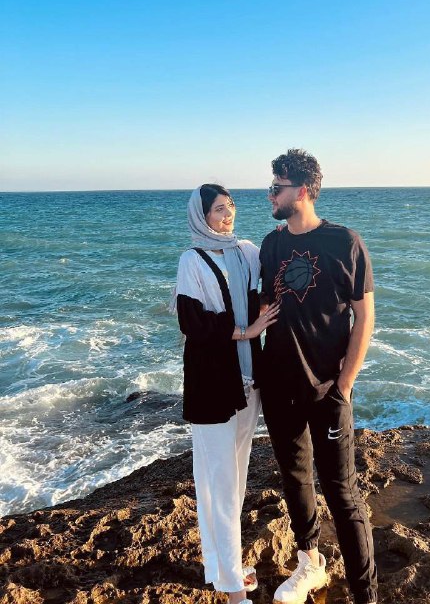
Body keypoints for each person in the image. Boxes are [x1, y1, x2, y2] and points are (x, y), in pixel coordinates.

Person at [259, 149, 377, 604]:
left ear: (302, 191)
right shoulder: (271, 245)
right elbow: (265, 303)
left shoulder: (345, 242)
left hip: (327, 388)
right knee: (294, 478)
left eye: (277, 187)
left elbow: (365, 316)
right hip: (279, 385)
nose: (270, 194)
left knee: (342, 493)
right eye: (271, 186)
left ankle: (365, 594)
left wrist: (344, 384)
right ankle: (311, 563)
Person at [174, 184, 279, 604]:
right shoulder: (192, 260)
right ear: (201, 216)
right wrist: (245, 331)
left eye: (230, 206)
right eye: (218, 209)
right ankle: (233, 589)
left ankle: (225, 566)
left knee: (235, 478)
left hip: (248, 381)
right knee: (217, 482)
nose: (227, 214)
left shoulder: (246, 251)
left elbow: (271, 280)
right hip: (212, 385)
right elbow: (192, 323)